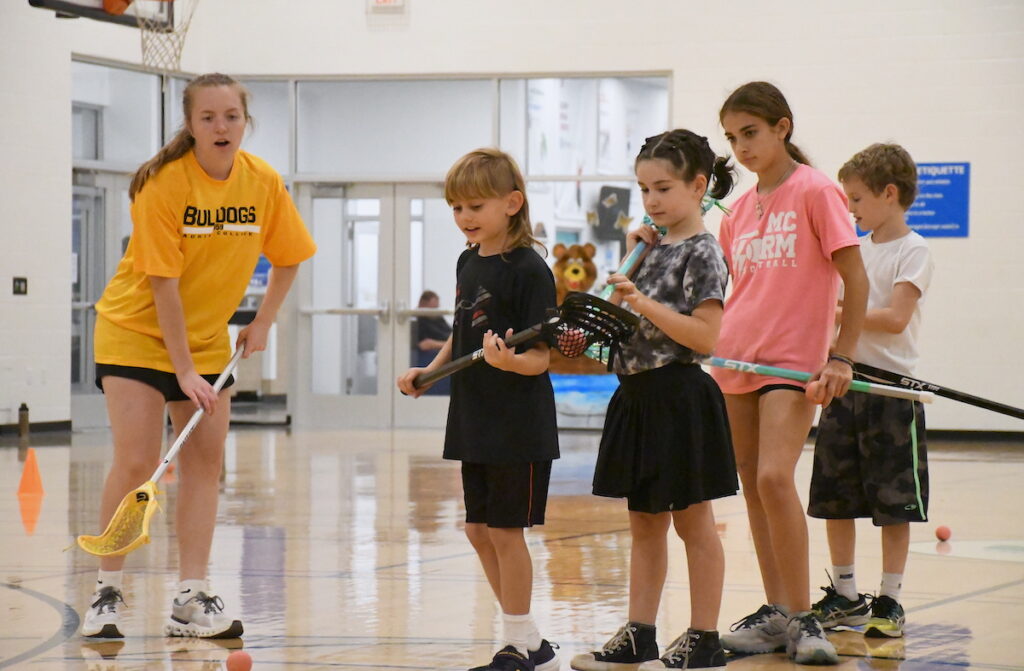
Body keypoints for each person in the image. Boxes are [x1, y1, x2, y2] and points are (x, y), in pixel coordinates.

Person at [81, 73, 316, 640]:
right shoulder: (163, 184)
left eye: (231, 116)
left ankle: (190, 595)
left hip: (208, 340)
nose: (220, 127)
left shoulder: (261, 180)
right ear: (190, 124)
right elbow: (162, 285)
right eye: (208, 117)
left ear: (245, 122)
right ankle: (106, 592)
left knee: (204, 467)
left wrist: (262, 322)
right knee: (138, 463)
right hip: (134, 333)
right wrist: (182, 370)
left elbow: (289, 257)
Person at [570, 130, 738, 671]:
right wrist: (585, 334)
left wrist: (639, 299)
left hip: (680, 398)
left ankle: (703, 636)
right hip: (636, 398)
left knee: (694, 524)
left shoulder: (704, 251)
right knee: (644, 523)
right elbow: (623, 334)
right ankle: (640, 633)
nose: (653, 201)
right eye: (644, 190)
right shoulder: (646, 248)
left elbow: (705, 337)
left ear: (697, 186)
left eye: (663, 188)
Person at [712, 81, 868, 665]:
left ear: (782, 127)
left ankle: (805, 619)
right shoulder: (738, 211)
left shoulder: (816, 189)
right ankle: (779, 613)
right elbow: (737, 292)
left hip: (791, 364)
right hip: (735, 359)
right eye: (732, 137)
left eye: (750, 132)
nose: (742, 146)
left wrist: (842, 356)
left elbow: (856, 279)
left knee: (776, 478)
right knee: (752, 485)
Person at [397, 148, 560, 671]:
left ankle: (517, 643)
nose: (464, 218)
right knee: (477, 529)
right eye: (456, 208)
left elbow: (540, 359)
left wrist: (508, 363)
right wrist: (430, 374)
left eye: (475, 206)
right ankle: (530, 640)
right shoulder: (469, 259)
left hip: (518, 422)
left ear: (512, 203)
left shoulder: (531, 269)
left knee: (506, 532)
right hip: (474, 415)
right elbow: (461, 330)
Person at [807, 143, 933, 640]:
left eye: (856, 199)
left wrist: (836, 312)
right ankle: (844, 594)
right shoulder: (854, 250)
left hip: (890, 394)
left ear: (890, 193)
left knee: (892, 503)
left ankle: (890, 598)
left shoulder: (913, 249)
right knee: (835, 498)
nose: (850, 209)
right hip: (844, 383)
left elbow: (896, 318)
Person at [410, 290, 452, 395]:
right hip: (430, 357)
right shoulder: (418, 321)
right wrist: (449, 345)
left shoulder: (437, 318)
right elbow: (425, 344)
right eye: (433, 308)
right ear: (423, 304)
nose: (435, 311)